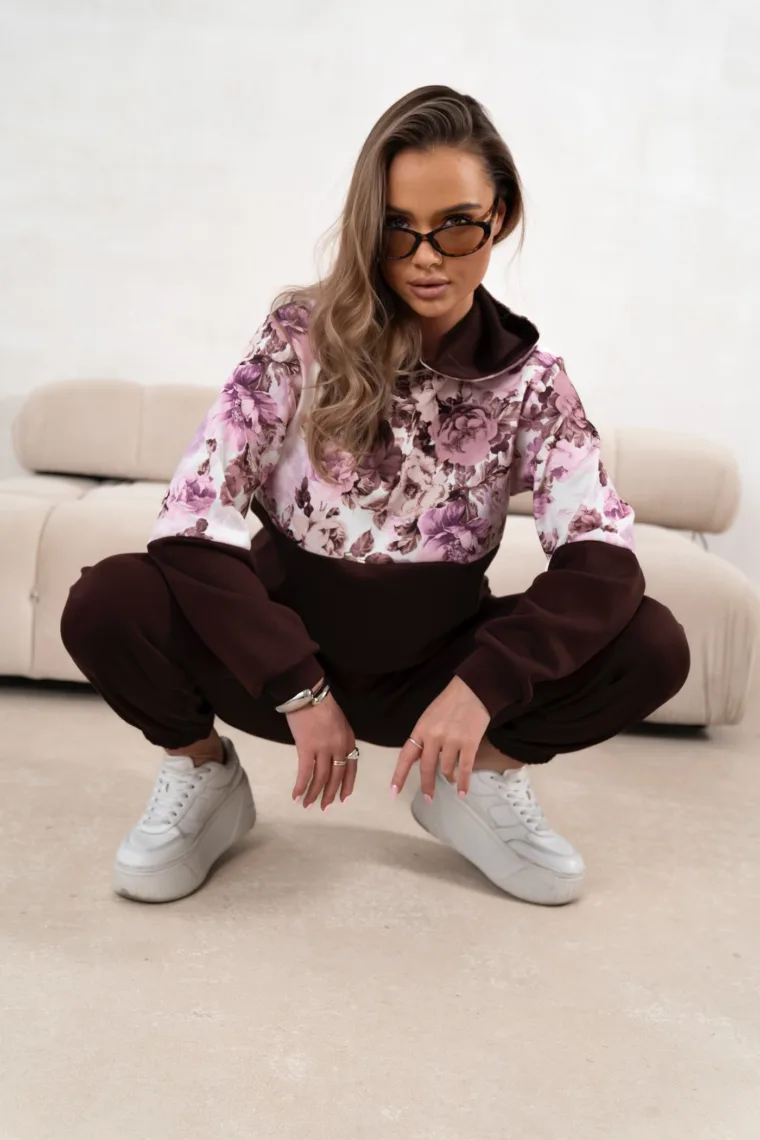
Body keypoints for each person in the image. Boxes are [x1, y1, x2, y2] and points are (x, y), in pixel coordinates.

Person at [61, 85, 690, 908]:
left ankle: (479, 778)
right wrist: (297, 684)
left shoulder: (531, 382)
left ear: (499, 216)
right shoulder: (299, 337)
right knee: (107, 601)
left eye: (456, 225)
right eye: (398, 228)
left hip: (434, 678)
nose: (427, 257)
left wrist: (482, 689)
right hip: (275, 664)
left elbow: (601, 557)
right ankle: (203, 772)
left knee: (653, 643)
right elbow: (193, 517)